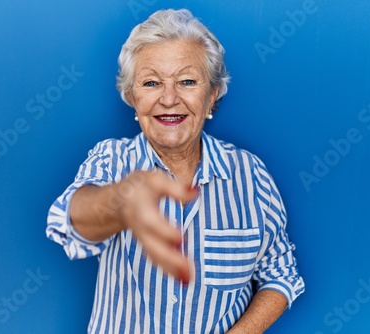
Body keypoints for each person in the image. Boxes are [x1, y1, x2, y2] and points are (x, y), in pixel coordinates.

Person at [46, 8, 304, 333]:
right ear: (132, 98)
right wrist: (121, 203)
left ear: (212, 96)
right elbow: (73, 221)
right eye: (152, 82)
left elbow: (280, 274)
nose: (169, 98)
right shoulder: (111, 159)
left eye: (187, 81)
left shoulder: (251, 174)